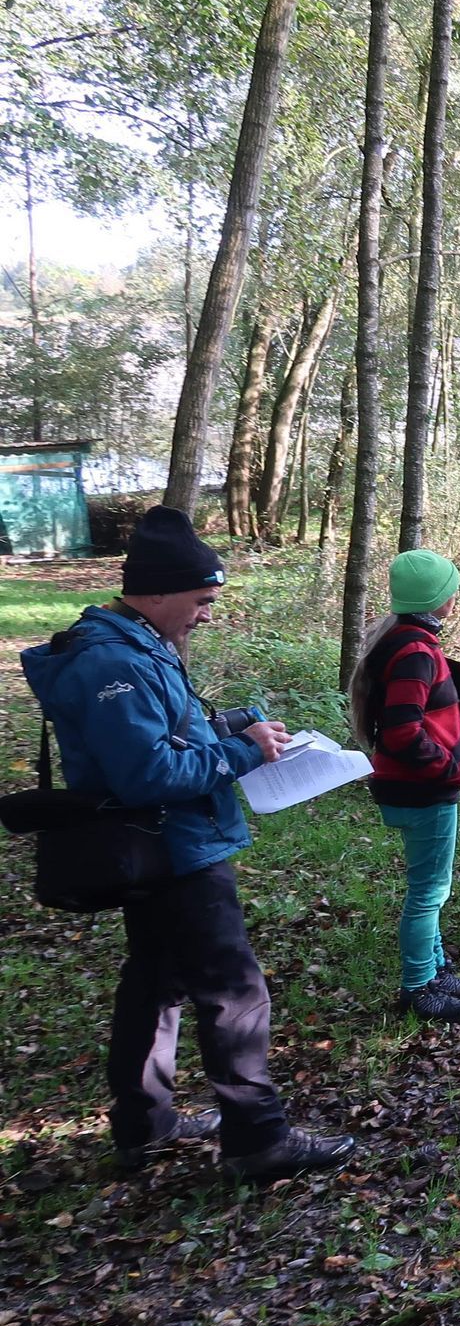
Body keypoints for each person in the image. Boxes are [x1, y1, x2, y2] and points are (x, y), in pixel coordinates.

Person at [20, 507, 355, 1182]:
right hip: (172, 848)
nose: (206, 615)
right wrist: (241, 751)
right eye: (202, 601)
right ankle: (258, 1141)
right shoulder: (111, 661)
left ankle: (145, 1125)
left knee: (155, 984)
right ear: (157, 593)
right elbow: (148, 774)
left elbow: (164, 735)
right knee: (235, 993)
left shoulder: (135, 642)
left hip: (164, 845)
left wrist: (230, 726)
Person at [348, 549, 460, 1022]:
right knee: (428, 892)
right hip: (421, 788)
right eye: (451, 587)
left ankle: (437, 972)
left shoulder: (406, 639)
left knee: (433, 886)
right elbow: (401, 730)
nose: (456, 594)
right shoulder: (414, 650)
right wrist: (447, 767)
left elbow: (423, 715)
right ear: (439, 598)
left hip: (413, 784)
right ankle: (418, 986)